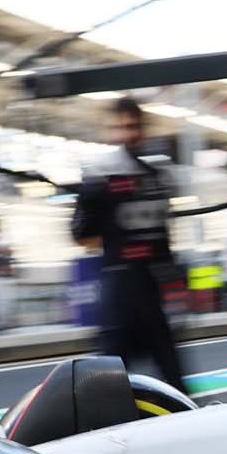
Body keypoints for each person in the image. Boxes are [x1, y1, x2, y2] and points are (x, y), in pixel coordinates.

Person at [71, 96, 186, 392]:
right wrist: (93, 201)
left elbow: (165, 241)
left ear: (143, 129)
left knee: (176, 386)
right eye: (121, 128)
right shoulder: (99, 176)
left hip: (153, 291)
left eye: (133, 127)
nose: (128, 134)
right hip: (118, 294)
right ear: (111, 131)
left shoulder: (159, 177)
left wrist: (178, 297)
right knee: (109, 393)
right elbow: (81, 236)